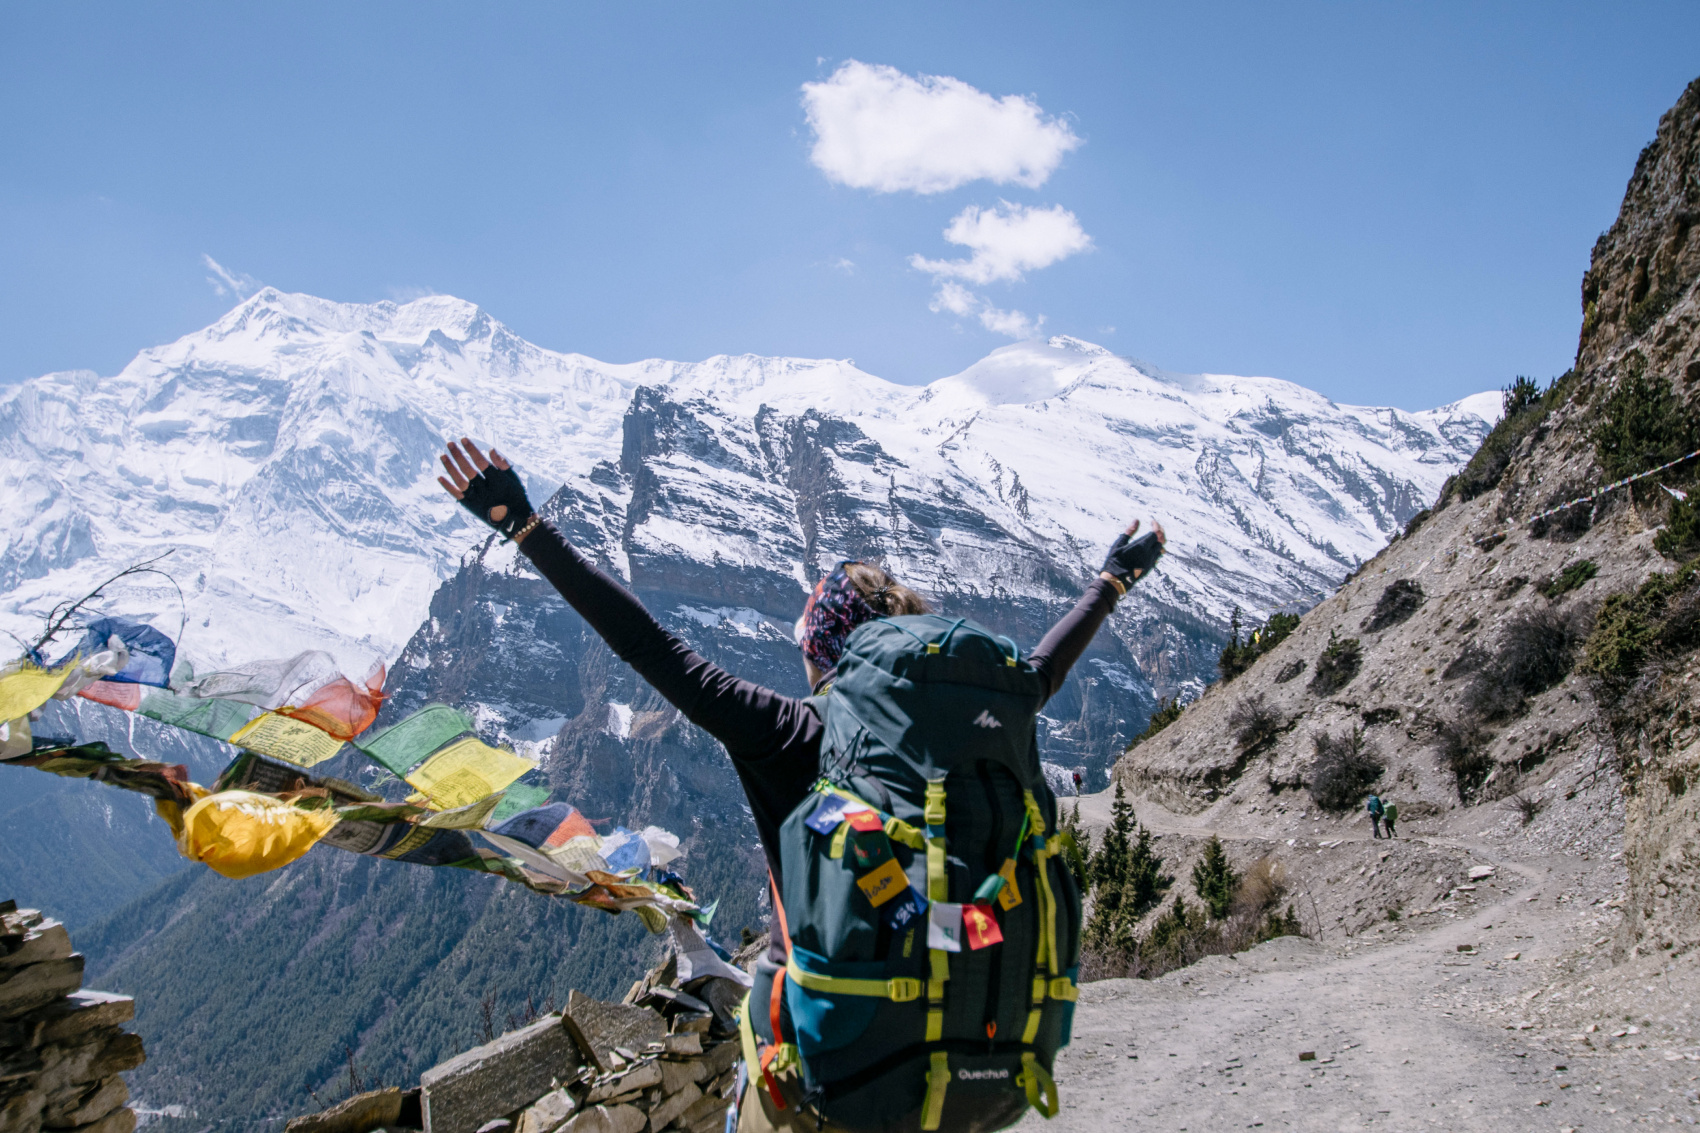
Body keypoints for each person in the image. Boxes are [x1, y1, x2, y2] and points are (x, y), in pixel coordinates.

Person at [436, 438, 1166, 1130]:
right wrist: (1111, 582)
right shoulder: (990, 717)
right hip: (973, 1053)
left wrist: (525, 525)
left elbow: (647, 645)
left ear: (820, 656)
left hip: (830, 1076)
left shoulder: (789, 730)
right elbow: (1045, 664)